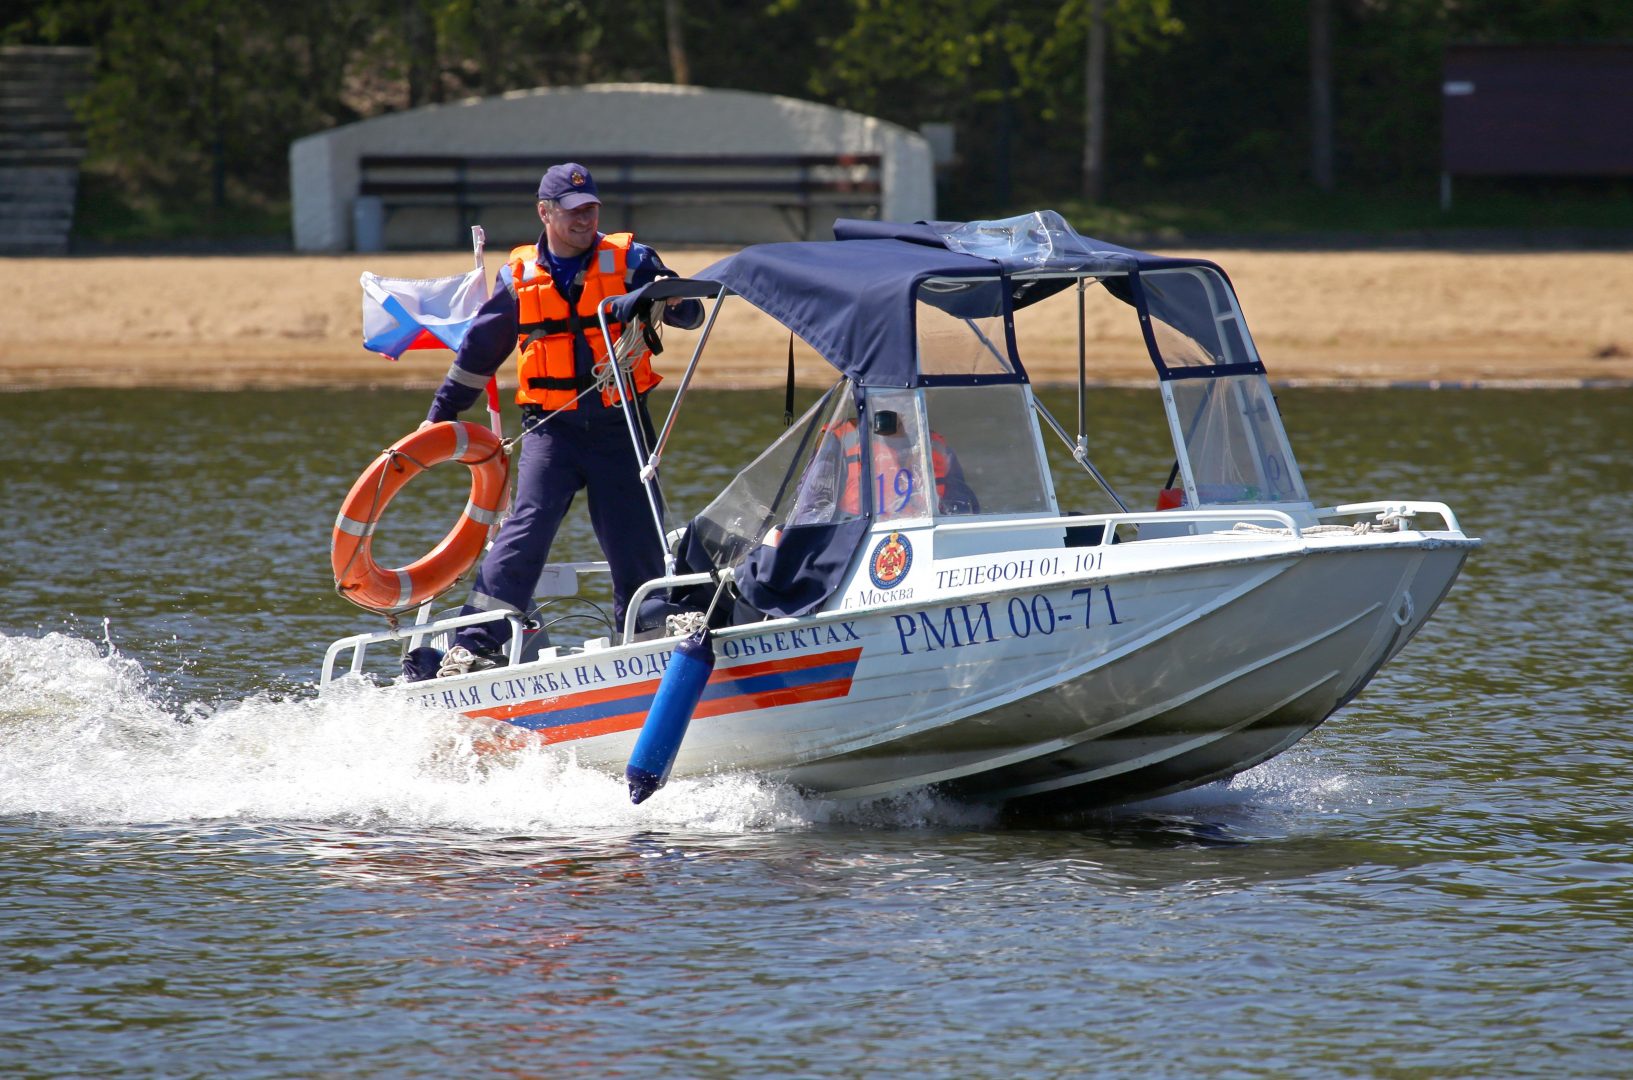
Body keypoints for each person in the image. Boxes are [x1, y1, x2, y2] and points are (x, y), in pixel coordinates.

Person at [425, 162, 703, 679]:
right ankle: (476, 642)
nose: (584, 219)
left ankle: (647, 638)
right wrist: (439, 417)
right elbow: (478, 354)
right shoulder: (518, 277)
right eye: (573, 211)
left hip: (621, 426)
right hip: (551, 431)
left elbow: (691, 315)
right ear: (545, 212)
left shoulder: (633, 260)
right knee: (525, 531)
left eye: (591, 208)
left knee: (636, 534)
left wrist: (665, 299)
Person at [789, 407, 978, 526]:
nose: (898, 405)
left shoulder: (934, 445)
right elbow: (810, 514)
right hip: (855, 549)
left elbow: (964, 508)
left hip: (924, 545)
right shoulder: (840, 440)